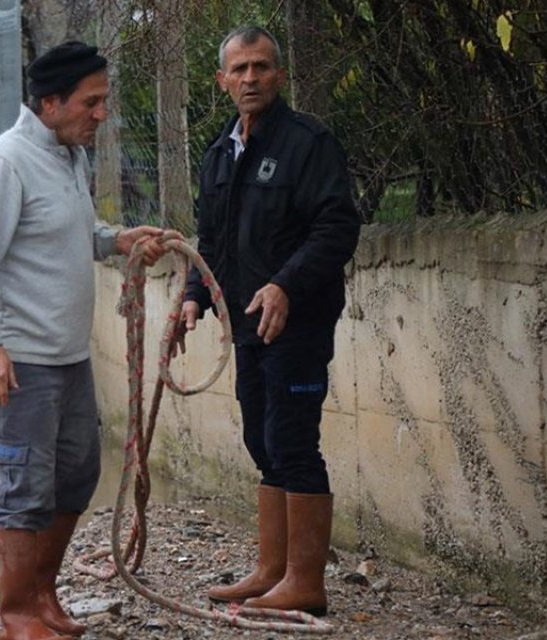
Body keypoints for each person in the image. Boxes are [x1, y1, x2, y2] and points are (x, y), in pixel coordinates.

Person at [0, 41, 175, 640]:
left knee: (74, 477)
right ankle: (16, 616)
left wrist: (113, 239)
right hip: (18, 363)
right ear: (50, 103)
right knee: (25, 487)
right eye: (90, 103)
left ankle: (42, 597)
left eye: (103, 102)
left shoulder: (67, 155)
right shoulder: (5, 163)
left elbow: (58, 229)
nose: (101, 114)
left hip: (68, 360)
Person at [175, 26, 360, 617]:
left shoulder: (310, 143)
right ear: (222, 80)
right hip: (247, 325)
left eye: (260, 67)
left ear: (278, 75)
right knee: (260, 437)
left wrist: (285, 284)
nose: (250, 78)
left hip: (298, 321)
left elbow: (337, 228)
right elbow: (212, 242)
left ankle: (306, 582)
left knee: (292, 441)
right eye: (239, 69)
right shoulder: (218, 152)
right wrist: (193, 297)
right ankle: (270, 570)